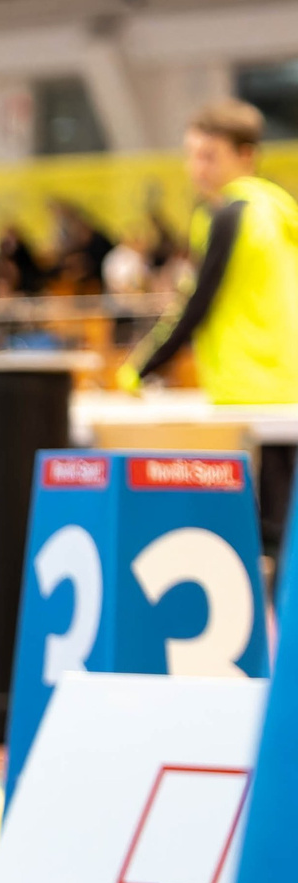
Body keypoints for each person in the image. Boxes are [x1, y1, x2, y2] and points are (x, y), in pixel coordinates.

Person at [121, 99, 298, 575]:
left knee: (271, 530)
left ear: (246, 155)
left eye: (209, 155)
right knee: (284, 525)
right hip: (283, 385)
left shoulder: (230, 216)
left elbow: (196, 304)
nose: (196, 167)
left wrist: (140, 366)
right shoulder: (281, 209)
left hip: (253, 388)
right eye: (192, 154)